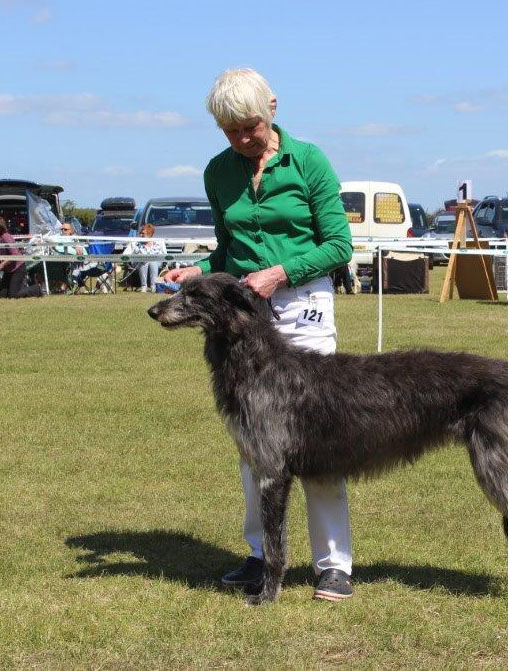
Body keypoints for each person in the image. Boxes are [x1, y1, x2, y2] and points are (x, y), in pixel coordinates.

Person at [164, 68, 355, 601]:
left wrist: (282, 273)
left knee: (318, 442)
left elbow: (339, 246)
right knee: (255, 445)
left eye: (249, 126)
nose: (242, 139)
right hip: (242, 317)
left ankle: (333, 564)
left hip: (302, 307)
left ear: (272, 107)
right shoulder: (218, 172)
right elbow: (226, 251)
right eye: (230, 131)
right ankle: (260, 555)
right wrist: (197, 273)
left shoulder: (309, 161)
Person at [0, 217, 43, 298]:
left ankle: (37, 289)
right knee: (2, 295)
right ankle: (20, 288)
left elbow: (15, 255)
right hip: (8, 270)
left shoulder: (6, 237)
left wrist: (2, 265)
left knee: (14, 295)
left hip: (18, 268)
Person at [124, 224, 166, 292]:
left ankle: (153, 286)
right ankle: (144, 286)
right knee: (144, 262)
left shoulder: (159, 242)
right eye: (140, 233)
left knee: (152, 261)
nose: (140, 235)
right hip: (138, 263)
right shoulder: (135, 242)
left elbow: (165, 255)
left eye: (143, 233)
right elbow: (125, 254)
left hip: (156, 262)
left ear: (149, 234)